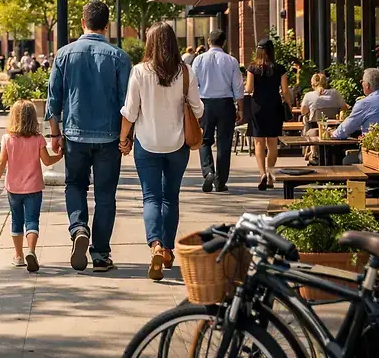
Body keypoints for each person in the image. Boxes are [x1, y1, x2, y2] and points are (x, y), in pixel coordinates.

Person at [46, 0, 131, 273]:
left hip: (74, 134)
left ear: (82, 23)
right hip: (108, 137)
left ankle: (79, 227)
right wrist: (125, 137)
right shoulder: (119, 57)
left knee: (75, 185)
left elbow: (53, 99)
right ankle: (101, 254)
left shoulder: (64, 54)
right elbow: (127, 103)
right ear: (107, 26)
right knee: (106, 195)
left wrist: (55, 134)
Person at [119, 23, 203, 281]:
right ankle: (167, 250)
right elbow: (198, 110)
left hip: (147, 144)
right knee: (171, 198)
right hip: (178, 146)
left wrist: (124, 139)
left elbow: (130, 112)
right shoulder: (186, 72)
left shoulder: (139, 72)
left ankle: (155, 244)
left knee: (151, 198)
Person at [0, 100, 64, 272]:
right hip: (34, 188)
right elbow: (46, 160)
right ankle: (31, 250)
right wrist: (59, 156)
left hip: (13, 188)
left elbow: (1, 162)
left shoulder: (7, 139)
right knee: (32, 220)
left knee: (16, 221)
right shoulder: (38, 139)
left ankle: (18, 256)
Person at [191, 29, 243, 193]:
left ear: (208, 41)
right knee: (224, 143)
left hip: (205, 102)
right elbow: (238, 87)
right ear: (224, 42)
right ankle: (220, 181)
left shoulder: (198, 60)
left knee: (204, 140)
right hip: (225, 103)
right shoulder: (231, 61)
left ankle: (208, 171)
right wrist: (240, 107)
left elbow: (193, 84)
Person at [246, 38, 292, 190]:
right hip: (274, 106)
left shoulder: (252, 68)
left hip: (257, 106)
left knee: (259, 142)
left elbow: (249, 89)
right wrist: (289, 105)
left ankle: (261, 174)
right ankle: (270, 176)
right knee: (272, 143)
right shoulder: (280, 69)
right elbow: (285, 91)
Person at [333, 68, 379, 139]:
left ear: (367, 85)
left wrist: (332, 133)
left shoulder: (365, 103)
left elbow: (346, 129)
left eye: (362, 82)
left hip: (374, 148)